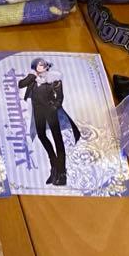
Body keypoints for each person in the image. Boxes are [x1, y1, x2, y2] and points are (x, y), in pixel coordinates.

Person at [17, 58, 80, 186]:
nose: (43, 65)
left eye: (44, 64)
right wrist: (32, 75)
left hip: (51, 111)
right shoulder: (33, 78)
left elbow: (60, 97)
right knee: (41, 135)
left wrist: (54, 107)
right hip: (38, 111)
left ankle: (62, 174)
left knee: (58, 139)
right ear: (35, 67)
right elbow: (21, 84)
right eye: (39, 64)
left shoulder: (54, 78)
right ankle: (54, 168)